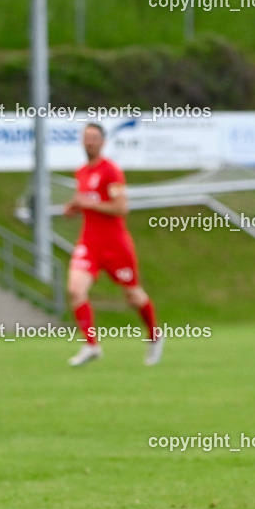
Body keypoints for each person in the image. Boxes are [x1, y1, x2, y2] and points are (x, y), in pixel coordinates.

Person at [64, 123, 163, 367]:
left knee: (133, 295)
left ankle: (154, 336)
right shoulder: (82, 173)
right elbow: (87, 202)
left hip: (115, 245)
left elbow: (121, 208)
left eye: (94, 138)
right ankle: (91, 345)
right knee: (76, 289)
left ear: (103, 142)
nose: (89, 142)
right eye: (86, 138)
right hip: (89, 243)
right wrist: (74, 207)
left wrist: (86, 203)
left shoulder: (111, 171)